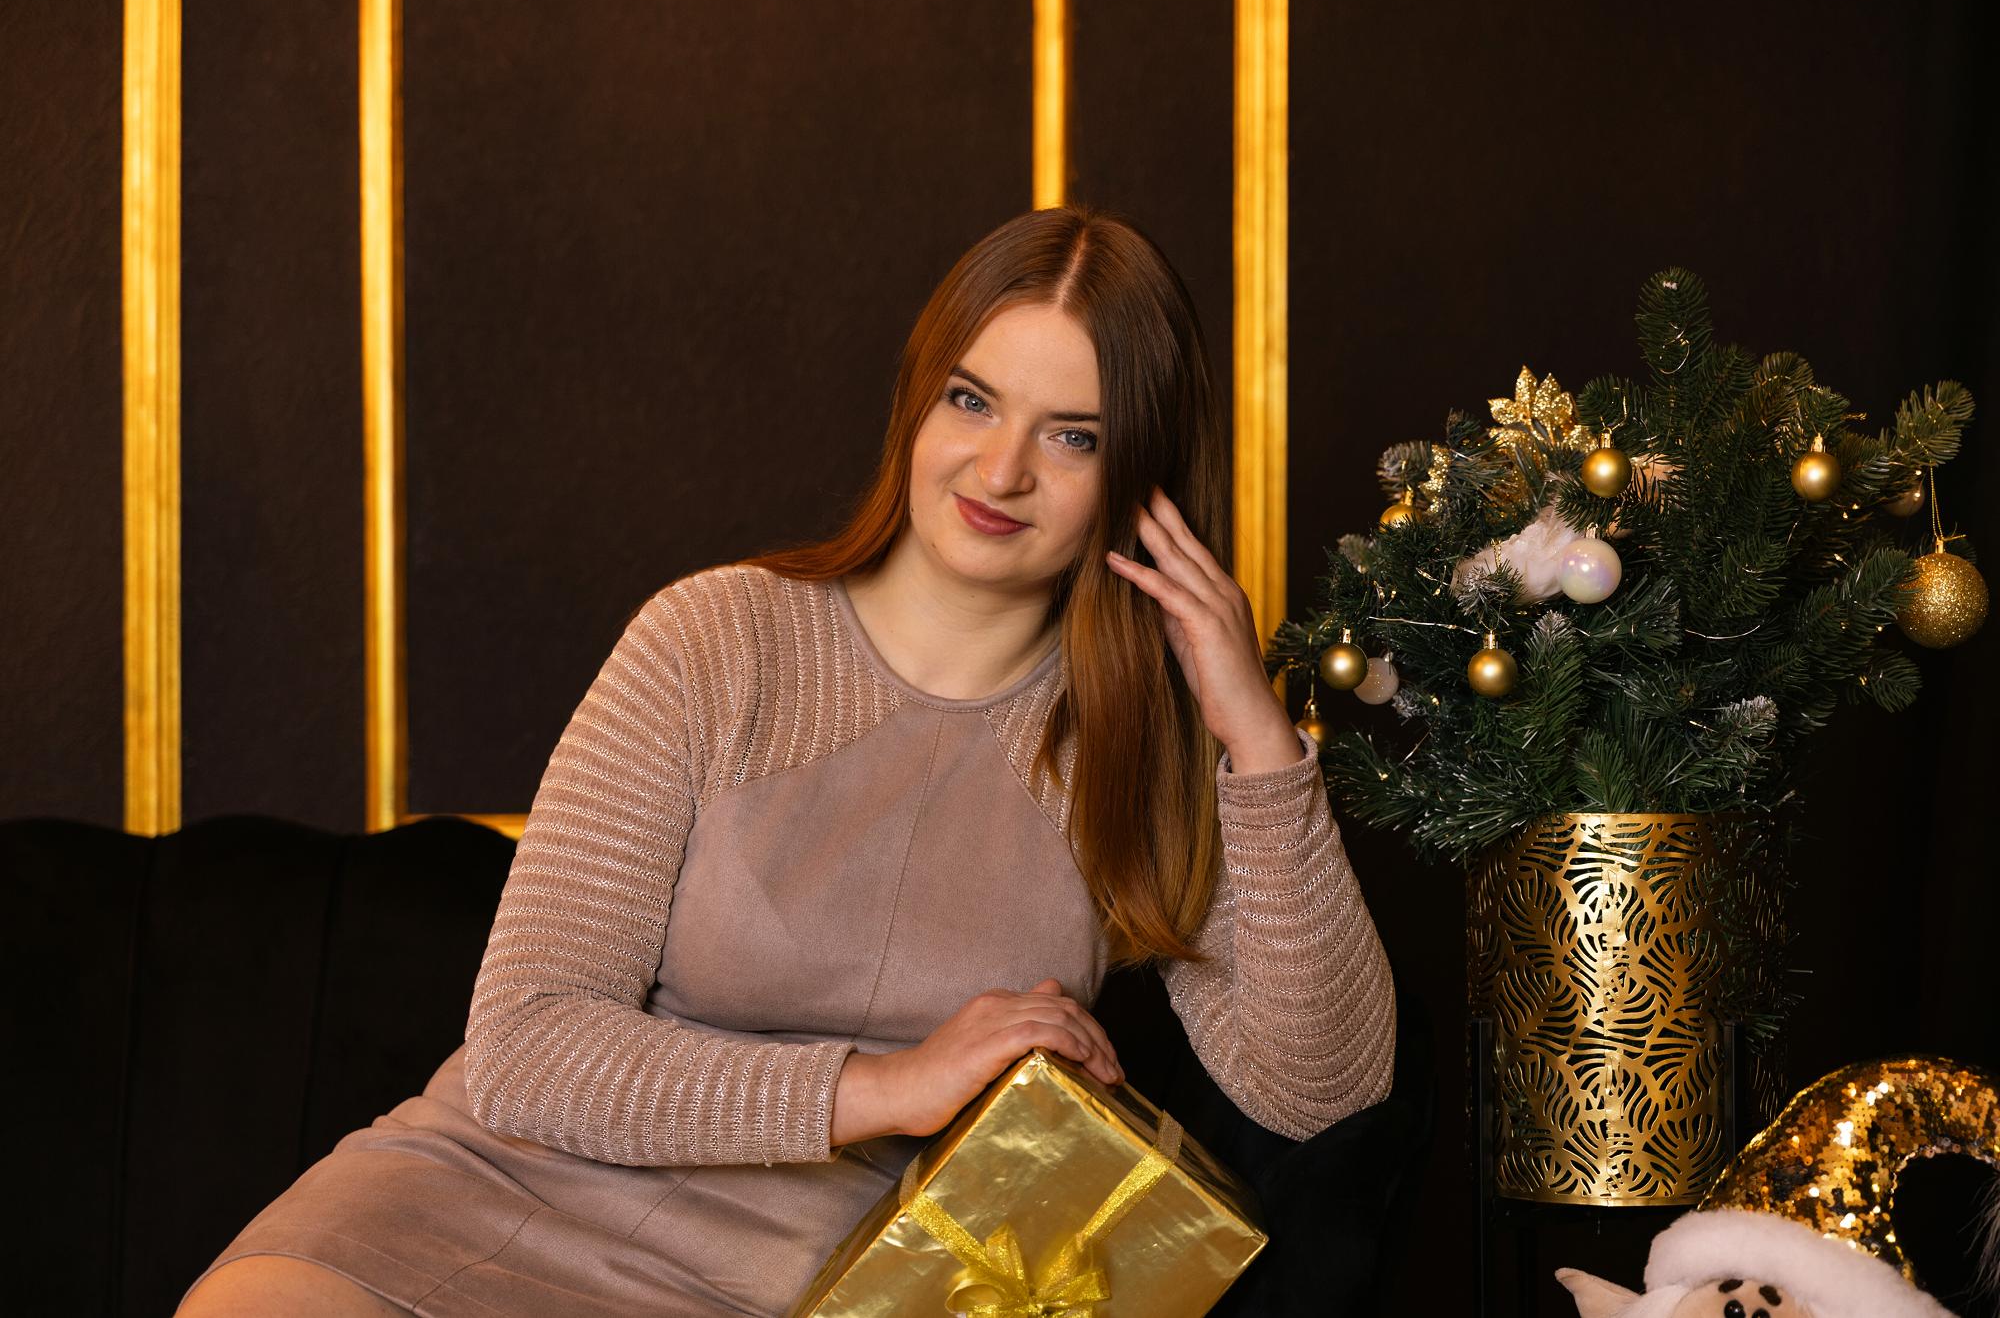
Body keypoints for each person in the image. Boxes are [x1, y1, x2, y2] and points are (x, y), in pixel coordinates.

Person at [178, 204, 1395, 1317]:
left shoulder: (1138, 739)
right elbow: (527, 1048)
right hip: (484, 1198)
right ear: (917, 400)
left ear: (1138, 481)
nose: (1000, 470)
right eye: (971, 401)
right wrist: (888, 1085)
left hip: (795, 1279)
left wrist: (1253, 735)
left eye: (1070, 435)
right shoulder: (712, 637)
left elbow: (1321, 1084)